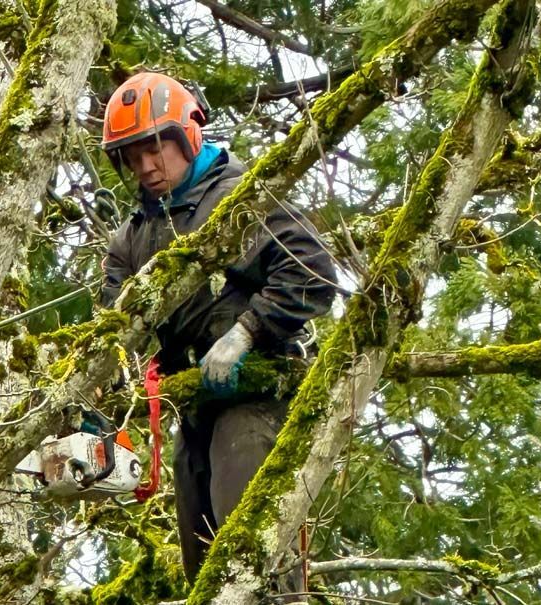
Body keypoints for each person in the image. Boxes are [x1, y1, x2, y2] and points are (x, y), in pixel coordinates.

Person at [98, 71, 337, 587]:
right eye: (132, 156)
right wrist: (101, 394)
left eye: (155, 148)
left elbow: (313, 273)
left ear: (188, 134)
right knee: (202, 567)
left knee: (248, 553)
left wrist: (248, 331)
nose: (146, 167)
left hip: (259, 396)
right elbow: (111, 332)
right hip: (195, 408)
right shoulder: (132, 241)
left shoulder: (242, 198)